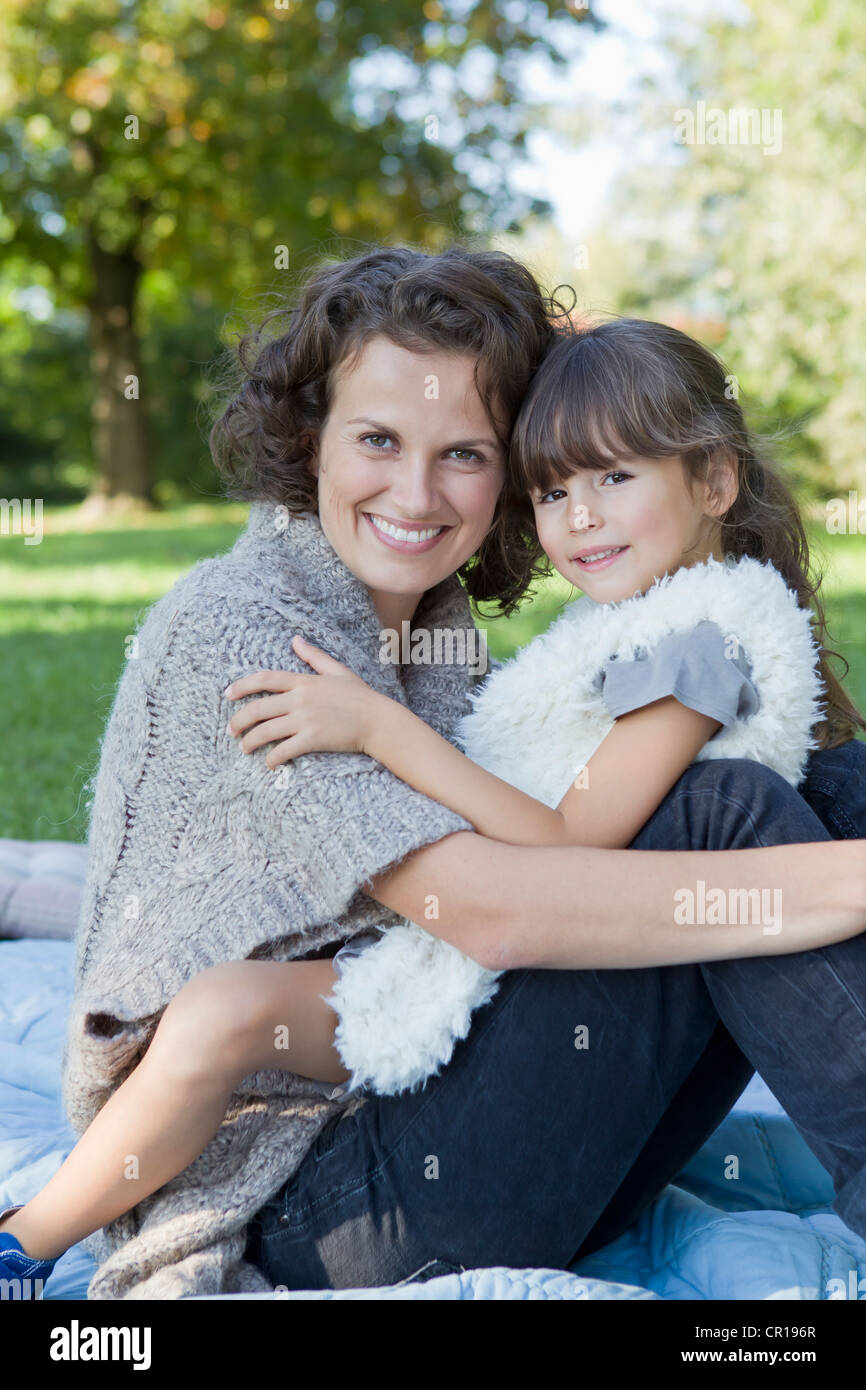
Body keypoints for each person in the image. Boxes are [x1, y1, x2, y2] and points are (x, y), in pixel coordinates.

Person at [2, 246, 864, 1301]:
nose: (415, 491)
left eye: (462, 453)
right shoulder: (241, 636)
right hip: (332, 1198)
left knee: (827, 784)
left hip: (510, 1134)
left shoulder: (436, 641)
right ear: (308, 435)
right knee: (721, 809)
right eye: (375, 438)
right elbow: (493, 911)